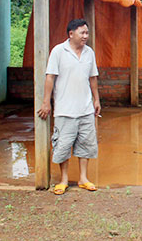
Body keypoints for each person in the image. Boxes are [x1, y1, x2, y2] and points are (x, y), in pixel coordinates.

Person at [37, 18, 101, 195]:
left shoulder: (89, 53)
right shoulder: (58, 51)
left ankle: (83, 178)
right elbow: (50, 77)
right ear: (71, 34)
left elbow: (93, 78)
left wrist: (96, 100)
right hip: (65, 109)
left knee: (86, 145)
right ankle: (63, 180)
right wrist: (46, 102)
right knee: (63, 145)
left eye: (87, 33)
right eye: (82, 33)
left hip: (86, 108)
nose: (85, 36)